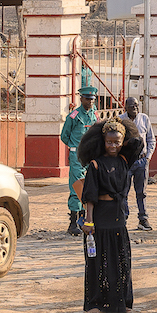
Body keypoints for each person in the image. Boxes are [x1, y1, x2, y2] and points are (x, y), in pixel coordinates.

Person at [78, 118, 143, 313]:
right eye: (109, 141)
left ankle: (120, 303)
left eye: (117, 142)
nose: (113, 145)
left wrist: (117, 124)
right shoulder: (95, 165)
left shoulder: (124, 160)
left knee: (120, 261)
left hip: (118, 215)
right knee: (98, 262)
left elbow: (138, 144)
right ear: (102, 142)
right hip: (100, 217)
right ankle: (95, 304)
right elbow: (89, 196)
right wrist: (88, 221)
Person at [60, 83, 98, 235]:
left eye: (92, 99)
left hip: (91, 155)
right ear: (81, 99)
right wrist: (74, 148)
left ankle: (85, 218)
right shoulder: (74, 116)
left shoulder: (94, 115)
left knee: (90, 186)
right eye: (87, 99)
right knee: (76, 187)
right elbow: (64, 136)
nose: (90, 102)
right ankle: (73, 221)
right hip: (77, 155)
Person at [118, 97, 154, 231]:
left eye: (137, 106)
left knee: (141, 192)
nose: (135, 108)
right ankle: (123, 218)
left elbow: (151, 139)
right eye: (132, 106)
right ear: (125, 107)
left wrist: (148, 157)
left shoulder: (144, 119)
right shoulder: (120, 120)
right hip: (126, 162)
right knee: (123, 191)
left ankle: (143, 219)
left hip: (141, 161)